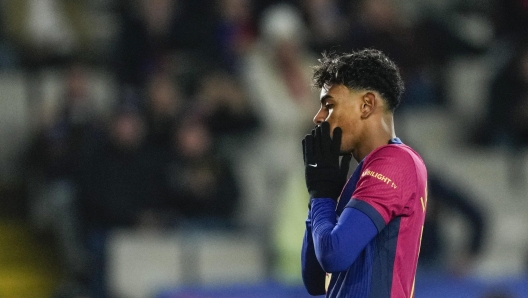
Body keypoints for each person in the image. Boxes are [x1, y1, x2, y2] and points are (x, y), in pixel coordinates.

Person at [301, 49, 428, 297]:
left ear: (367, 105)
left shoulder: (395, 162)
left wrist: (322, 197)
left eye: (329, 105)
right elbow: (315, 281)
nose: (318, 118)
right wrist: (320, 192)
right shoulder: (362, 176)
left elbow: (334, 255)